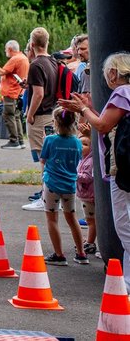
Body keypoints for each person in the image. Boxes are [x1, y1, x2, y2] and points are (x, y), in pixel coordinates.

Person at [59, 52, 130, 288]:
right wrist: (88, 108)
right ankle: (127, 280)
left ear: (113, 73)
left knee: (123, 224)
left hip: (123, 167)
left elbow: (102, 125)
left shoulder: (122, 92)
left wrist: (82, 109)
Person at [39, 107, 87, 265]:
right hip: (69, 185)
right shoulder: (77, 142)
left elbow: (43, 160)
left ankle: (59, 254)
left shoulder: (50, 140)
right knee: (72, 218)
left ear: (56, 123)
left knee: (52, 219)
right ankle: (81, 253)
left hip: (52, 183)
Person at [22, 28, 60, 211]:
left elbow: (38, 93)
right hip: (51, 113)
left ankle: (46, 198)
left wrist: (29, 114)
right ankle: (51, 195)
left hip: (40, 116)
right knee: (51, 158)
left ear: (32, 44)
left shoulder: (36, 65)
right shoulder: (52, 62)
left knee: (43, 158)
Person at [0, 40, 29, 150]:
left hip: (11, 91)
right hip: (18, 91)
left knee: (8, 115)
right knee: (16, 116)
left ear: (10, 49)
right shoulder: (24, 58)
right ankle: (20, 140)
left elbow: (1, 72)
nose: (5, 51)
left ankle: (13, 140)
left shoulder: (15, 59)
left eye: (6, 49)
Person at [76, 132, 97, 258]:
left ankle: (90, 242)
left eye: (85, 144)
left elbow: (88, 177)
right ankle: (89, 240)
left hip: (89, 195)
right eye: (80, 144)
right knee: (90, 220)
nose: (82, 147)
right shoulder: (82, 159)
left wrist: (75, 175)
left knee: (91, 220)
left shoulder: (90, 161)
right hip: (85, 194)